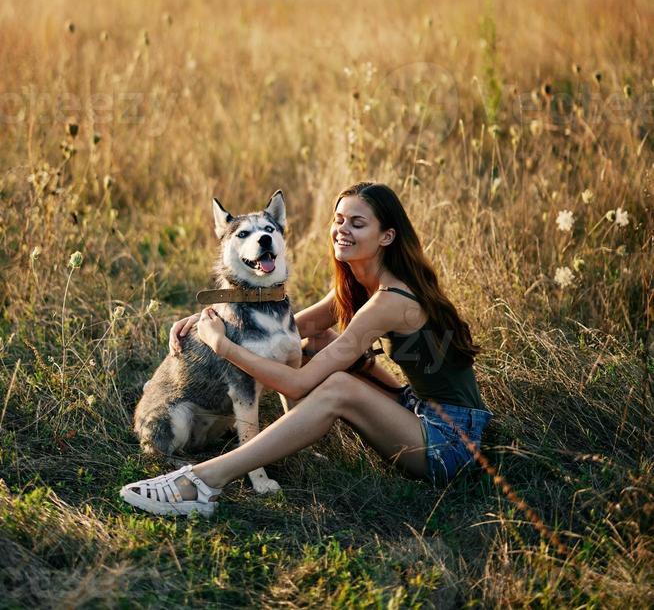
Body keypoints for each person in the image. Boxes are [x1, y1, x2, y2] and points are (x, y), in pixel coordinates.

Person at [120, 182, 493, 515]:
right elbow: (285, 332)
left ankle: (205, 480)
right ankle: (285, 443)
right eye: (339, 219)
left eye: (357, 224)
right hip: (415, 405)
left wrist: (222, 346)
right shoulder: (362, 282)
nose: (342, 230)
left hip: (451, 443)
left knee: (337, 388)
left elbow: (298, 385)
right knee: (315, 344)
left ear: (386, 237)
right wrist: (211, 318)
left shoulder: (390, 298)